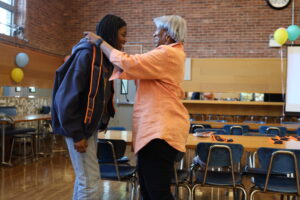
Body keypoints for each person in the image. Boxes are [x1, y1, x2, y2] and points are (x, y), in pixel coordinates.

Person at [85, 15, 189, 200]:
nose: (154, 34)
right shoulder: (170, 53)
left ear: (168, 34)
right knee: (149, 190)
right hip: (157, 133)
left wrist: (100, 42)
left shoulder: (168, 53)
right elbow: (132, 68)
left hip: (160, 133)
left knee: (157, 192)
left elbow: (129, 63)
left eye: (158, 30)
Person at [51, 14, 127, 200]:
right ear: (111, 34)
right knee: (90, 181)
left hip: (86, 127)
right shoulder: (87, 55)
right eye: (123, 35)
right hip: (77, 128)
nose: (125, 40)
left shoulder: (102, 58)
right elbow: (65, 98)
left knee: (85, 179)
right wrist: (77, 134)